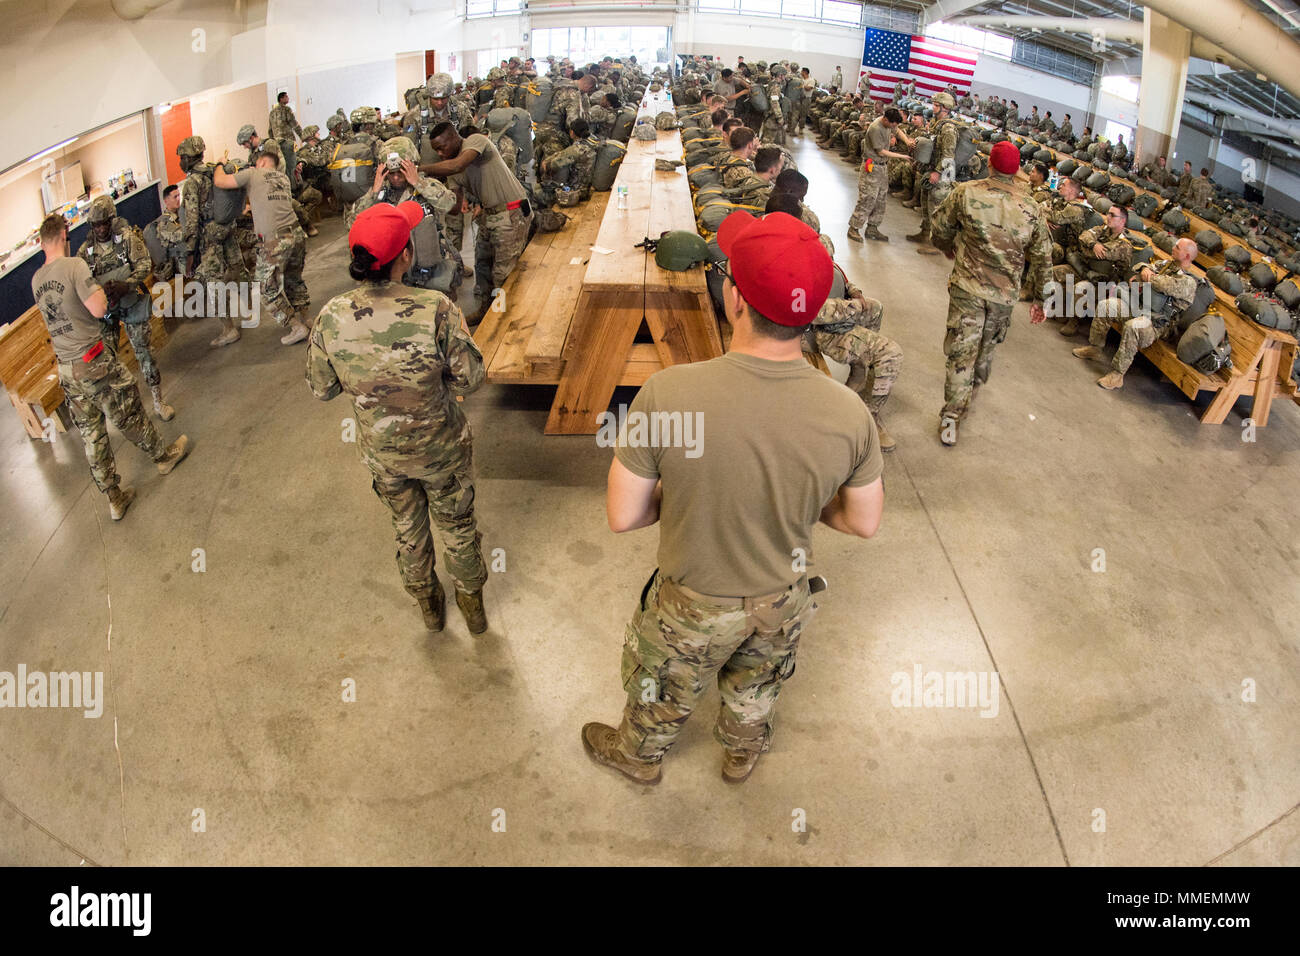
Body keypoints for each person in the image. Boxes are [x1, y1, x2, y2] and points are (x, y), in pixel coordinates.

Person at [581, 210, 884, 786]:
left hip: (693, 601)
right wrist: (801, 499)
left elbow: (624, 515)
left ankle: (639, 759)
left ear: (735, 298)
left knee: (663, 687)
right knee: (756, 687)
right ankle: (741, 756)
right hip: (780, 597)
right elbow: (863, 521)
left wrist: (690, 492)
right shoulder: (849, 413)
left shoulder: (669, 393)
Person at [307, 201, 489, 633]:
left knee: (407, 526)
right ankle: (473, 609)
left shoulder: (331, 316)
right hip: (441, 448)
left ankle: (428, 606)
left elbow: (323, 387)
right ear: (406, 254)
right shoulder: (437, 309)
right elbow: (470, 379)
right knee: (458, 526)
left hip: (384, 454)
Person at [31, 214, 190, 521]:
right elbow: (99, 308)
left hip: (67, 368)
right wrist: (102, 293)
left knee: (92, 435)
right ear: (65, 235)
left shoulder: (36, 279)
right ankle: (163, 456)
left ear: (40, 242)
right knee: (129, 411)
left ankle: (115, 499)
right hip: (93, 360)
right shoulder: (74, 266)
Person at [929, 141, 1051, 446]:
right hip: (1003, 297)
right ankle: (973, 391)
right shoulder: (1031, 208)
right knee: (986, 351)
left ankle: (950, 419)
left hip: (967, 289)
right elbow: (1043, 257)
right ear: (1017, 171)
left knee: (961, 355)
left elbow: (940, 229)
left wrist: (948, 249)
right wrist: (1041, 300)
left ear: (991, 165)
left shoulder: (966, 192)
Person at [77, 195, 175, 420]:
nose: (100, 229)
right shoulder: (85, 252)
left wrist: (127, 284)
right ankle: (125, 408)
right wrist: (99, 294)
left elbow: (144, 264)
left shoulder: (127, 239)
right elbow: (82, 281)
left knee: (144, 353)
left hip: (131, 301)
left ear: (112, 220)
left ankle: (158, 400)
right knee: (106, 361)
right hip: (106, 310)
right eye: (96, 225)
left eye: (104, 223)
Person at [423, 121, 532, 322]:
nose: (439, 153)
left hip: (511, 212)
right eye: (435, 150)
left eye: (441, 147)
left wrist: (420, 170)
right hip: (489, 216)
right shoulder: (452, 170)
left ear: (454, 138)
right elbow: (455, 208)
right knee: (482, 267)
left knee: (503, 273)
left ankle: (503, 321)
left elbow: (458, 164)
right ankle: (486, 312)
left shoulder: (475, 141)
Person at [213, 151, 312, 345]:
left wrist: (219, 164)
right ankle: (306, 319)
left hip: (274, 240)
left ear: (262, 162)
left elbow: (220, 182)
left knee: (265, 289)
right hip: (296, 234)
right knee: (294, 279)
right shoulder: (283, 178)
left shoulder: (252, 174)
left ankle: (295, 326)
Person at [1072, 238, 1199, 389]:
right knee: (1107, 306)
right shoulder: (1166, 265)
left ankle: (1117, 375)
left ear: (1187, 256)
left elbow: (1165, 285)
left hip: (1156, 324)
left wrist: (1149, 275)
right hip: (1138, 307)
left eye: (1177, 247)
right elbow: (1141, 266)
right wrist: (1144, 269)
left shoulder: (1188, 282)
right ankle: (1095, 347)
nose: (1173, 248)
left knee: (1133, 327)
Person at [177, 135, 245, 347]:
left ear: (188, 157)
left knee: (212, 282)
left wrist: (189, 252)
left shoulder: (192, 182)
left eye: (181, 158)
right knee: (237, 266)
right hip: (226, 227)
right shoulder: (213, 170)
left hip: (208, 236)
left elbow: (192, 220)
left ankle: (228, 328)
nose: (180, 162)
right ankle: (250, 307)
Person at [848, 107, 911, 243]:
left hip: (882, 167)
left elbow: (898, 131)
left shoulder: (890, 124)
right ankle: (854, 227)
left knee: (881, 198)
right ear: (886, 120)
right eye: (893, 124)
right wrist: (901, 156)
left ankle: (872, 228)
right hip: (872, 166)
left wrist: (907, 141)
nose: (894, 127)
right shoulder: (875, 128)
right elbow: (881, 152)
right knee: (867, 198)